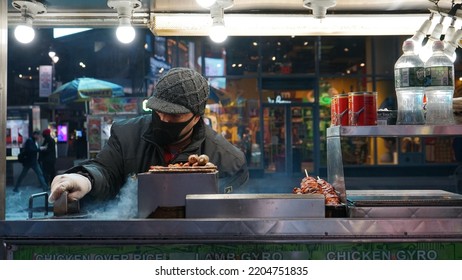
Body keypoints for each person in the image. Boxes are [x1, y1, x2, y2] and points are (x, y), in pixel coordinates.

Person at [49, 67, 249, 203]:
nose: (163, 120)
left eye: (174, 115)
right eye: (158, 111)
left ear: (196, 117)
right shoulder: (126, 134)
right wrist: (84, 179)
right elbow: (105, 170)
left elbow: (232, 217)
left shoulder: (228, 160)